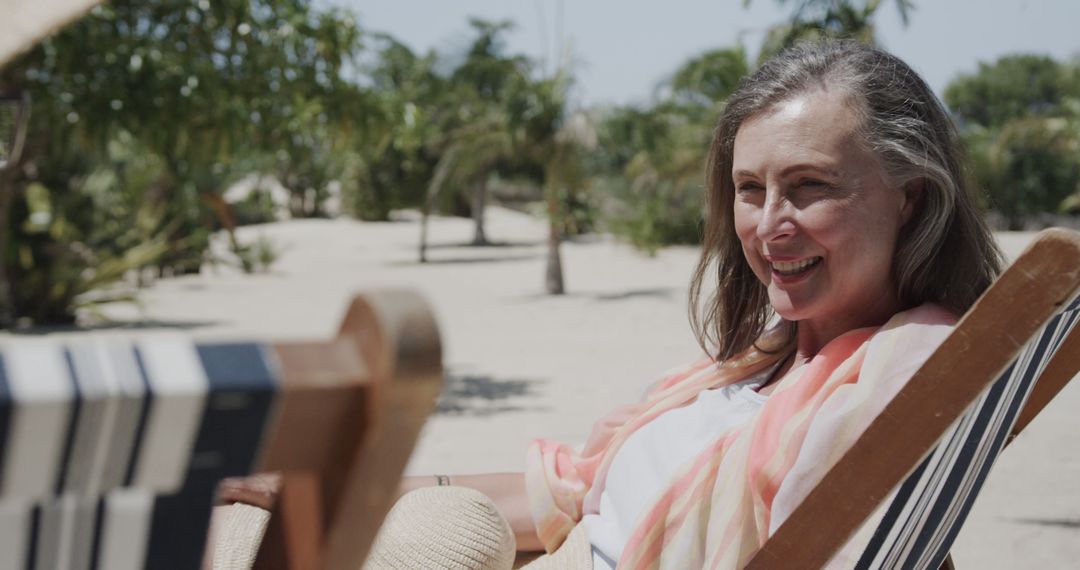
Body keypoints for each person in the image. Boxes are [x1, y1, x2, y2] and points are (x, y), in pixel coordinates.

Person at [213, 40, 1003, 569]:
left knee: (431, 536)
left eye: (810, 187)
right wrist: (342, 486)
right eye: (749, 190)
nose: (768, 225)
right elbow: (564, 493)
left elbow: (836, 532)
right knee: (245, 522)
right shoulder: (743, 371)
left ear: (909, 200)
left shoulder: (914, 361)